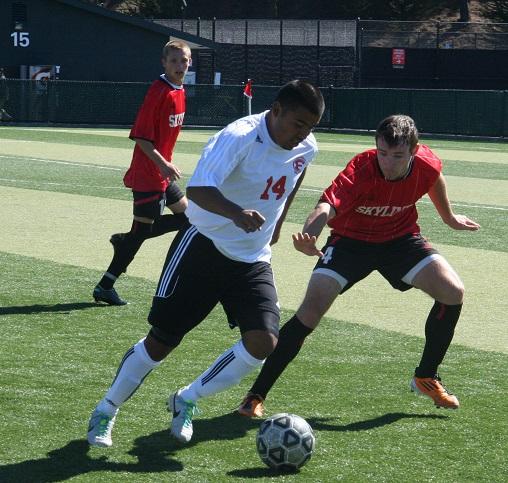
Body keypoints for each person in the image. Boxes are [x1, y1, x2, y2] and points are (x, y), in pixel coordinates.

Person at [87, 79, 325, 447]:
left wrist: (278, 222)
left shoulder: (306, 145)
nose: (304, 134)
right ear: (276, 110)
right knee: (161, 343)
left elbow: (296, 174)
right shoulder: (239, 137)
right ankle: (106, 409)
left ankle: (187, 399)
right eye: (298, 124)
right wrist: (236, 213)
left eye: (311, 127)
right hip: (203, 247)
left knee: (263, 342)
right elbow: (198, 189)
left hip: (252, 259)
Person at [237, 114, 480, 418]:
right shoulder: (361, 170)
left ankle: (426, 377)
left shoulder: (427, 163)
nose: (388, 163)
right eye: (382, 153)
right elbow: (325, 206)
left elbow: (434, 177)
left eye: (397, 155)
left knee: (452, 291)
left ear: (414, 151)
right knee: (310, 310)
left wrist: (449, 217)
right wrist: (310, 234)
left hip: (400, 239)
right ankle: (255, 395)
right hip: (350, 243)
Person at [92, 40, 192, 306]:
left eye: (183, 61)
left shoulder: (179, 90)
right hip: (148, 174)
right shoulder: (158, 91)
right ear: (164, 63)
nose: (179, 66)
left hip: (161, 173)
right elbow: (141, 137)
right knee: (140, 236)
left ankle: (126, 239)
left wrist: (165, 165)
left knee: (192, 220)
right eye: (173, 61)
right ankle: (106, 285)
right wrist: (163, 164)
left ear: (190, 62)